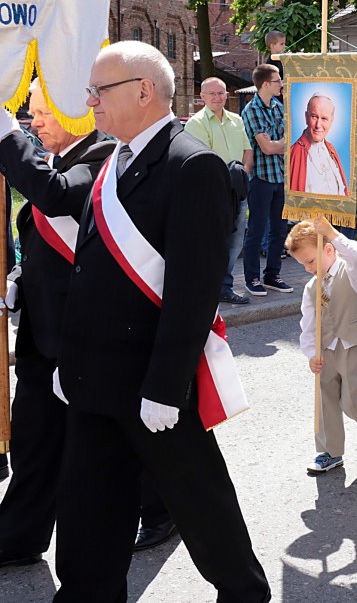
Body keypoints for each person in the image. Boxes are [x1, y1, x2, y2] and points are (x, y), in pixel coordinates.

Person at [50, 40, 270, 601]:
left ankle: (245, 595)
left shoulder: (189, 163)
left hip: (153, 385)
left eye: (101, 90)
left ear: (144, 91)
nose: (91, 101)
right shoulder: (113, 157)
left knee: (201, 508)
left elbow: (193, 292)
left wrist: (167, 388)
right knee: (88, 518)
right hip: (94, 378)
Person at [0, 82, 113, 569]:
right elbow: (45, 245)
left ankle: (160, 510)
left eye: (44, 112)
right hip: (43, 333)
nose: (36, 120)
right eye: (29, 114)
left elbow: (55, 198)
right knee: (33, 440)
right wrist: (18, 282)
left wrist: (6, 134)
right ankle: (19, 535)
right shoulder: (61, 158)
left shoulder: (103, 157)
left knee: (116, 450)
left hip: (84, 338)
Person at [287, 218, 357, 474]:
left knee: (352, 401)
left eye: (311, 261)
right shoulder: (312, 288)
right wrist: (311, 353)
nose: (309, 269)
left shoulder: (351, 271)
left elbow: (355, 254)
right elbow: (308, 325)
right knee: (325, 401)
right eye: (303, 265)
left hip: (352, 344)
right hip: (326, 350)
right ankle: (330, 451)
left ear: (329, 250)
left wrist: (331, 233)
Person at [185, 76, 253, 305]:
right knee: (214, 241)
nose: (218, 97)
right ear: (202, 97)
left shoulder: (237, 120)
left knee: (235, 242)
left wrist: (241, 176)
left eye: (221, 93)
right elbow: (204, 161)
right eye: (212, 94)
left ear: (227, 95)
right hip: (214, 192)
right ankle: (209, 287)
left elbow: (247, 151)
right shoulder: (196, 123)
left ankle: (224, 287)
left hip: (237, 191)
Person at [241, 63, 293, 295]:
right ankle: (251, 278)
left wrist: (282, 142)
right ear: (265, 84)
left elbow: (279, 143)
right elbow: (268, 147)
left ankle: (272, 275)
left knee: (279, 230)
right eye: (277, 80)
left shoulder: (277, 107)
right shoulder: (251, 111)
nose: (281, 84)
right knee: (257, 229)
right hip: (260, 178)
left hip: (280, 178)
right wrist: (287, 141)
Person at [288, 93, 348, 196]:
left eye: (324, 119)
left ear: (331, 122)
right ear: (306, 117)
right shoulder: (295, 153)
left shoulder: (331, 150)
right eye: (314, 117)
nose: (318, 125)